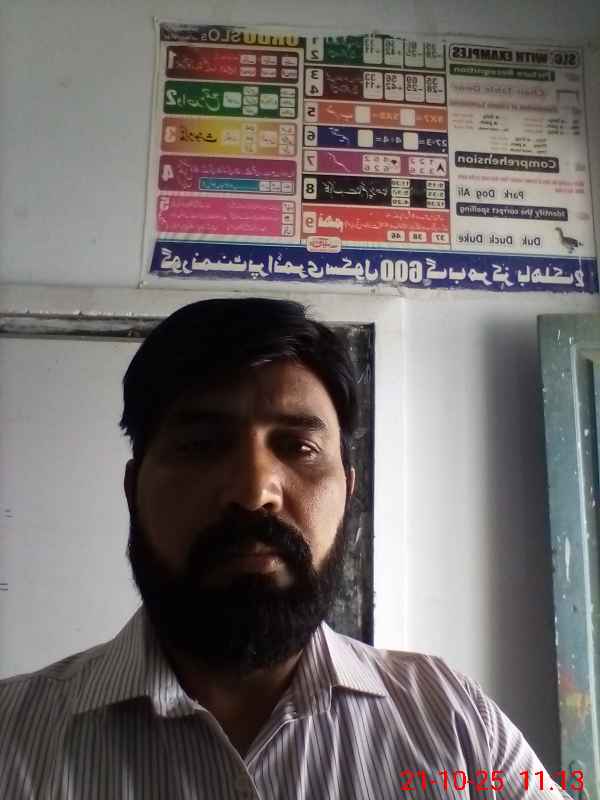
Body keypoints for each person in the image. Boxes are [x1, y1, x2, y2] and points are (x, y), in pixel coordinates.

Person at [0, 298, 572, 799]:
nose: (255, 492)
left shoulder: (457, 725)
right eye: (201, 445)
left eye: (298, 447)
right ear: (133, 491)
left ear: (348, 492)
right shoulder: (12, 738)